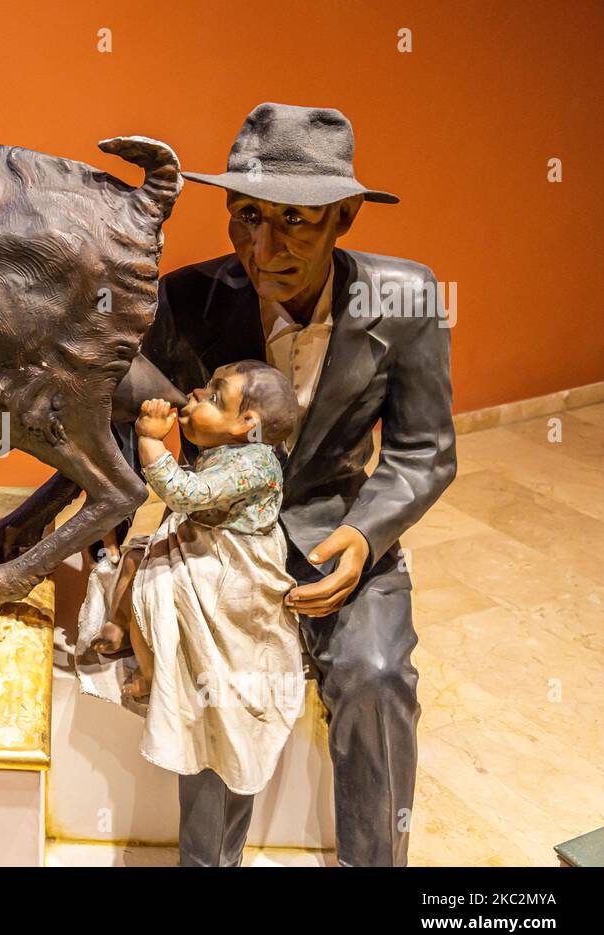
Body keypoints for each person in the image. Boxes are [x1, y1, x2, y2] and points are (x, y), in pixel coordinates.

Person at [135, 103, 457, 866]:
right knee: (218, 681)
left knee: (377, 677)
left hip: (339, 529)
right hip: (222, 542)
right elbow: (128, 418)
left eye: (296, 221)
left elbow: (425, 451)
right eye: (245, 216)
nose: (263, 245)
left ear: (345, 216)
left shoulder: (404, 299)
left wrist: (361, 538)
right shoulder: (189, 300)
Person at [98, 362, 306, 799]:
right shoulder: (234, 450)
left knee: (158, 587)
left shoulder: (255, 464)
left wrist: (151, 441)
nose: (194, 392)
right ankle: (119, 624)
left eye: (214, 396)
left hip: (232, 562)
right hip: (204, 537)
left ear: (247, 424)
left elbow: (187, 495)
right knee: (137, 556)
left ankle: (153, 672)